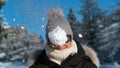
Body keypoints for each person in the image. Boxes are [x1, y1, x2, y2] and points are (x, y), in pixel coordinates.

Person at [28, 7, 100, 68]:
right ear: (48, 40)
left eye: (65, 39)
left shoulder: (86, 65)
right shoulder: (38, 65)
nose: (60, 45)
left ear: (71, 37)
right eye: (54, 40)